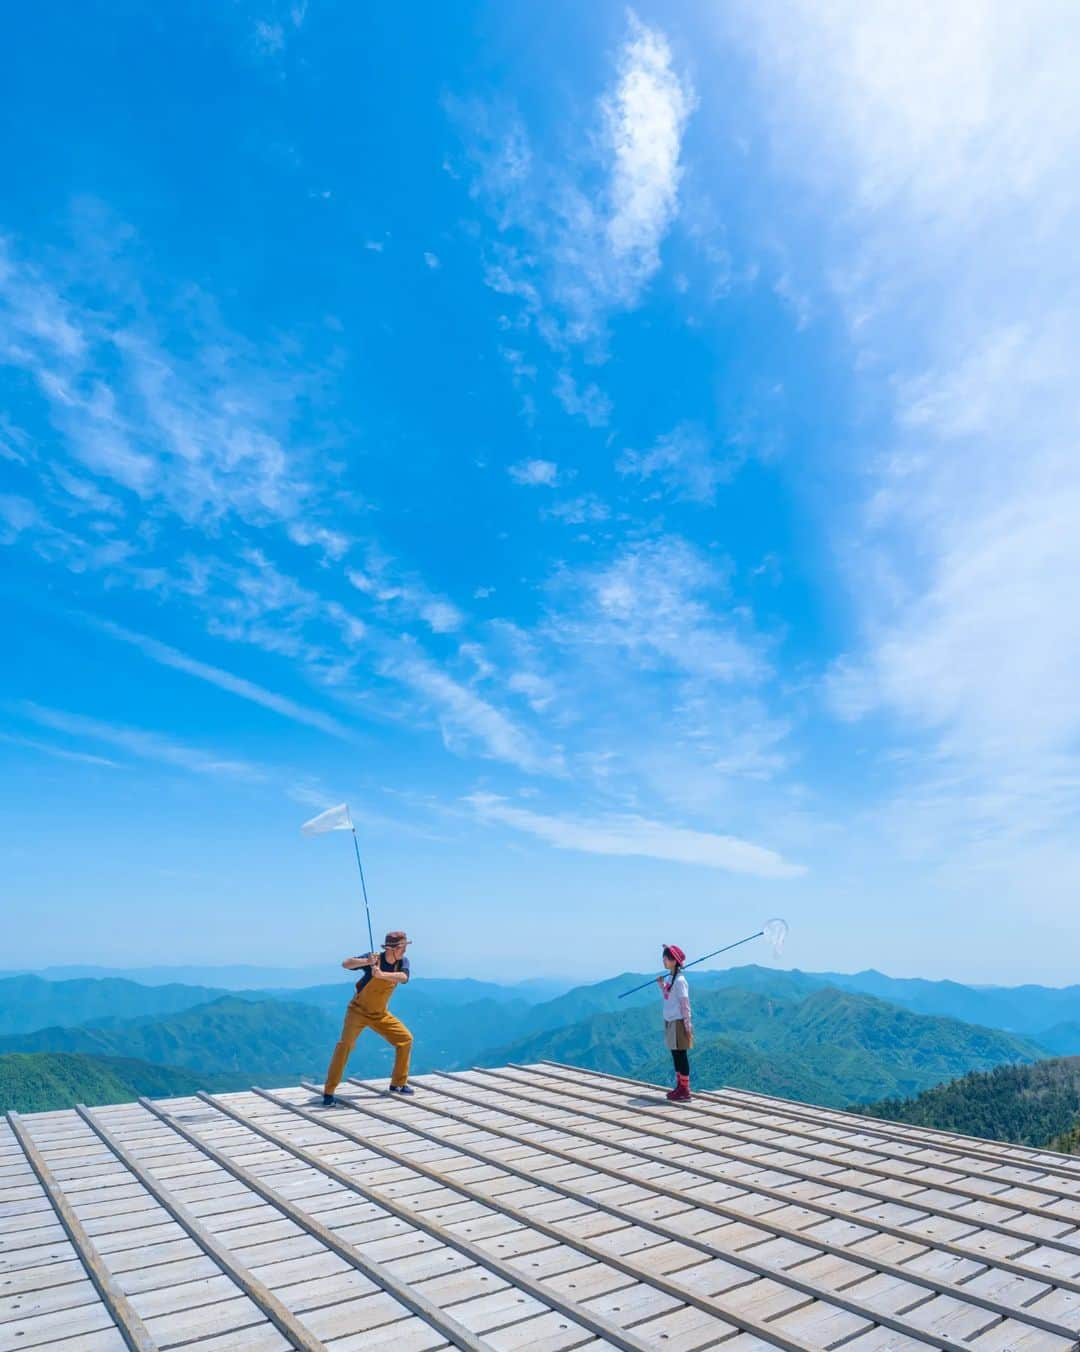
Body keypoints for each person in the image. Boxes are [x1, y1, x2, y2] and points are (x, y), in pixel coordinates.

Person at [322, 930, 413, 1104]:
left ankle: (398, 1084)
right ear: (390, 948)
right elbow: (346, 964)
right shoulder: (374, 958)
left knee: (405, 1039)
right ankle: (329, 1092)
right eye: (402, 946)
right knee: (345, 1045)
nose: (405, 950)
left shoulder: (402, 962)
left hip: (380, 1014)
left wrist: (381, 975)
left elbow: (404, 977)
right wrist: (366, 961)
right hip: (358, 1011)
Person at [656, 943, 693, 1102]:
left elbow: (685, 1004)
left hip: (678, 1021)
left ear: (674, 961)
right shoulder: (671, 978)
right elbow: (668, 996)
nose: (664, 961)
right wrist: (661, 985)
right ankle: (679, 1086)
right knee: (675, 1054)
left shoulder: (680, 981)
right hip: (670, 1020)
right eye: (663, 959)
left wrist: (687, 1025)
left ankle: (685, 1089)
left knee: (681, 1054)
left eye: (666, 959)